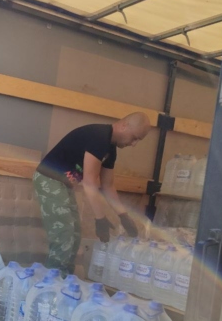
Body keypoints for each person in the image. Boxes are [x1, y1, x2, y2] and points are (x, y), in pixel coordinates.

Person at [33, 112, 152, 274]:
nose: (134, 144)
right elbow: (89, 183)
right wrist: (100, 219)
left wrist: (123, 216)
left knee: (75, 236)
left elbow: (108, 186)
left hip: (64, 184)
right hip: (49, 179)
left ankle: (64, 279)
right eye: (134, 138)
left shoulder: (110, 149)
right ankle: (50, 283)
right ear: (124, 126)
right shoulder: (99, 137)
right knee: (64, 235)